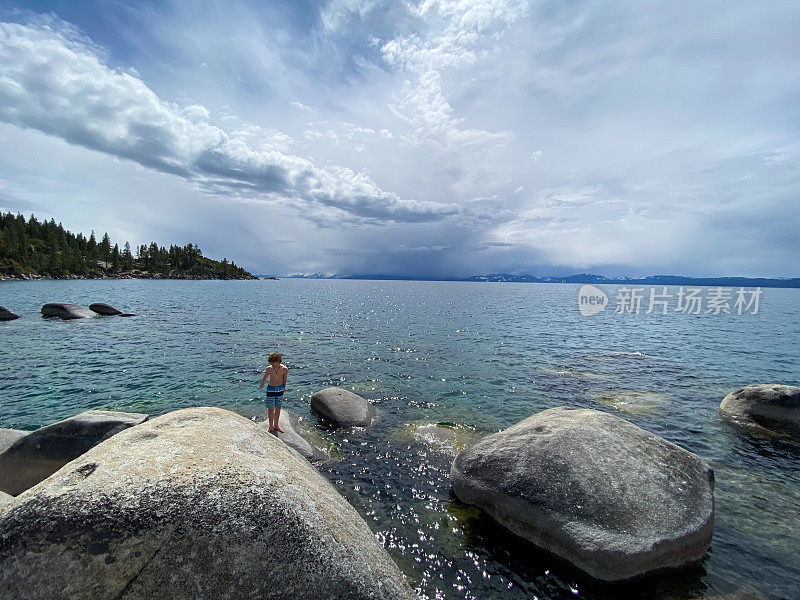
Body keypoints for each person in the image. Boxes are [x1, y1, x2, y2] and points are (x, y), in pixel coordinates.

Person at [259, 352, 288, 433]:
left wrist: (284, 389)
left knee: (278, 408)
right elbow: (265, 377)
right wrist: (262, 383)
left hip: (280, 389)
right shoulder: (269, 368)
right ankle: (270, 426)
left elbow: (285, 379)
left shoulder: (284, 369)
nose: (271, 363)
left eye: (272, 362)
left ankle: (276, 425)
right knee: (271, 409)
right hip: (271, 389)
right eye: (270, 362)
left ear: (278, 361)